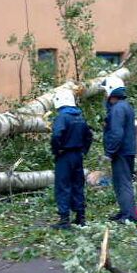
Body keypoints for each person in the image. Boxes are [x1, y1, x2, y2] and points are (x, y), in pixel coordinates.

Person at [50, 89, 93, 230]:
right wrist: (84, 150)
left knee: (63, 186)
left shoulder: (62, 117)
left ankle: (64, 219)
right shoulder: (80, 117)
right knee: (77, 185)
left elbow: (56, 135)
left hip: (65, 156)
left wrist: (57, 150)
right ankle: (80, 217)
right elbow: (89, 135)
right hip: (77, 156)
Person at [101, 76, 137, 223]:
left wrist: (109, 152)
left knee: (123, 183)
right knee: (121, 182)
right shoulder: (125, 106)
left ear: (111, 91)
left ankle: (129, 216)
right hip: (126, 150)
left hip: (121, 152)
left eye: (106, 92)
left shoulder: (118, 109)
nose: (105, 95)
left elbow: (117, 133)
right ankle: (125, 212)